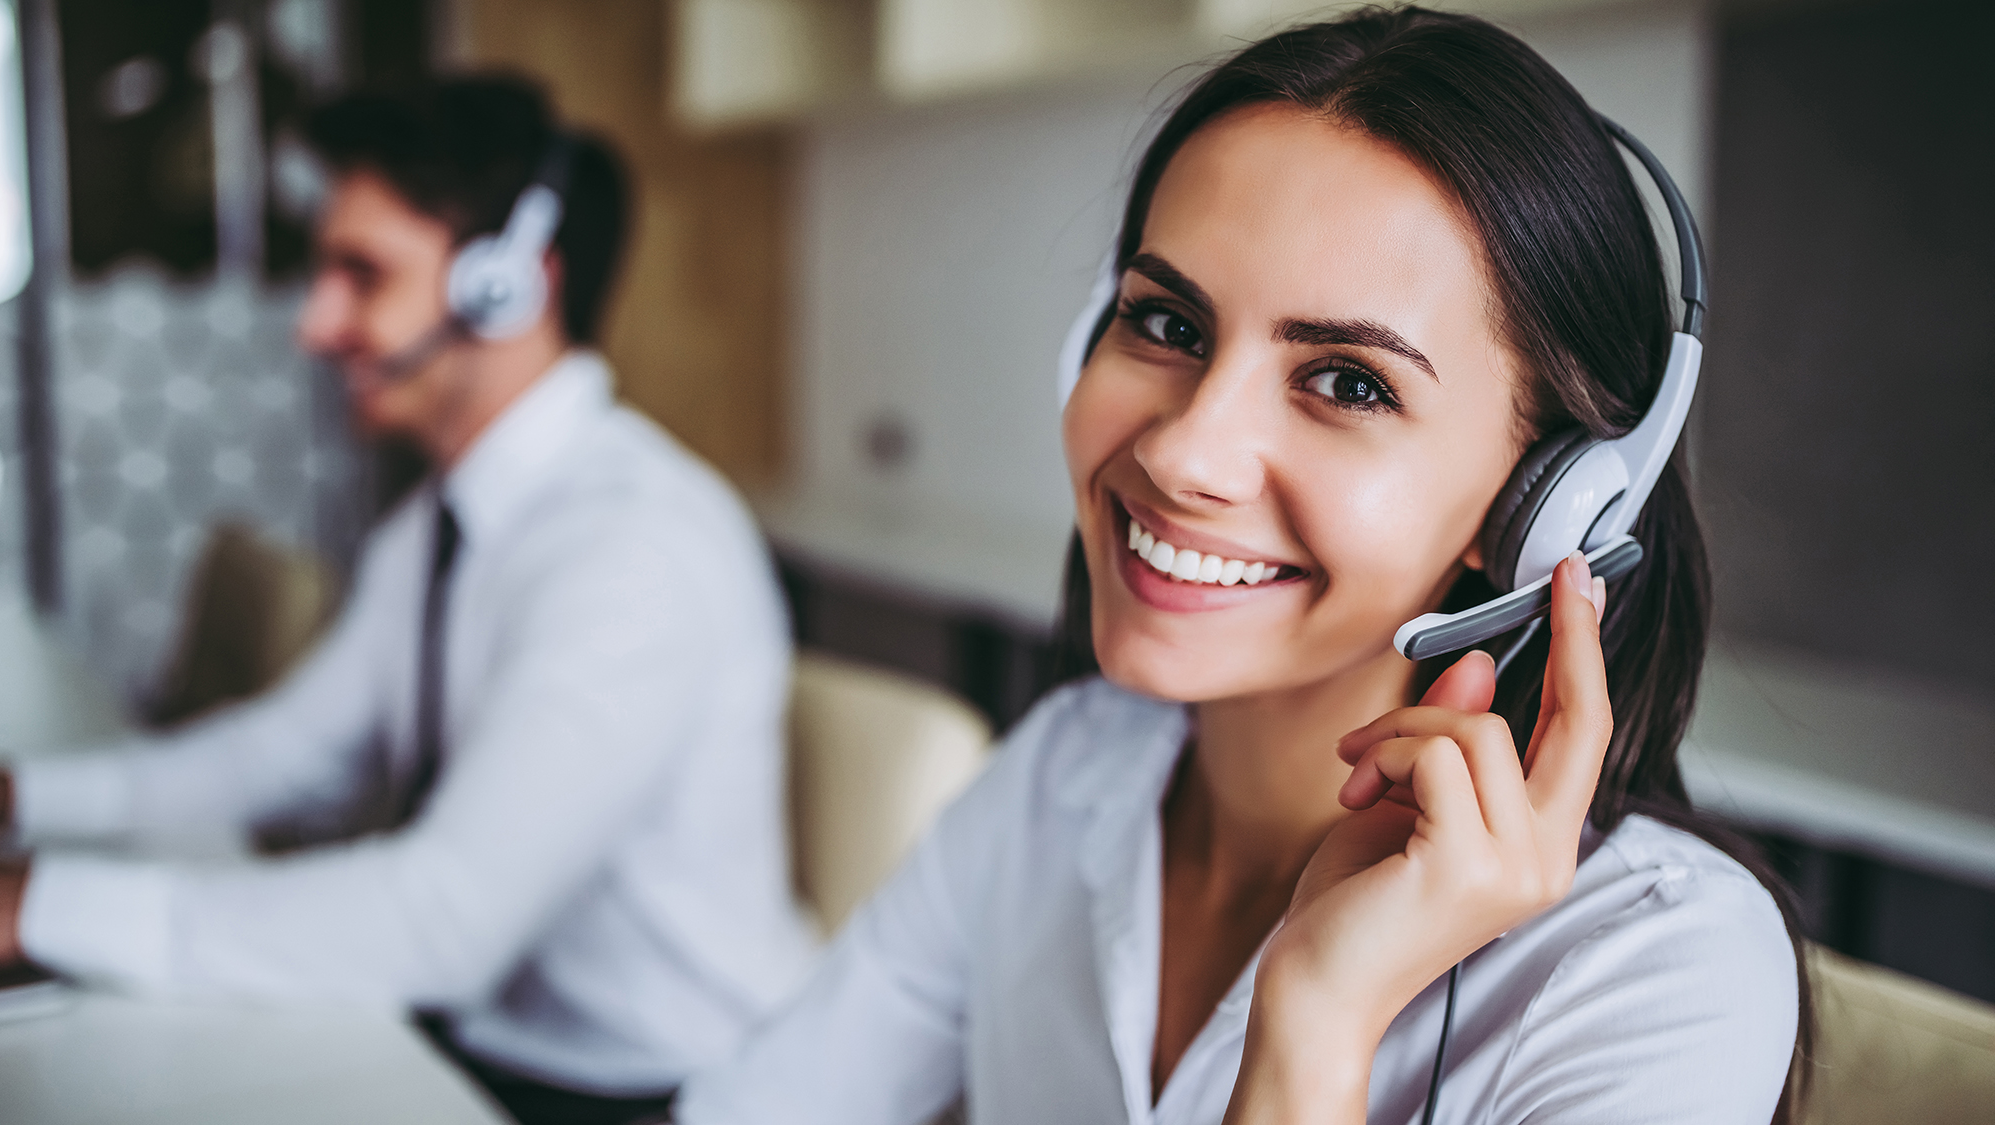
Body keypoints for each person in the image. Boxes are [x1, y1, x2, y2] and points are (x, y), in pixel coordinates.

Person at [675, 9, 1808, 1124]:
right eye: (1167, 323)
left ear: (1545, 503)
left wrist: (1318, 1021)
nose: (1182, 453)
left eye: (1349, 383)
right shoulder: (1063, 775)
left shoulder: (1656, 977)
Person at [0, 77, 817, 1123]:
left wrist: (36, 909)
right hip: (492, 1052)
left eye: (363, 274)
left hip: (659, 1093)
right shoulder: (437, 525)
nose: (315, 323)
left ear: (508, 286)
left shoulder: (631, 549)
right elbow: (282, 754)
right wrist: (18, 801)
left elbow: (440, 921)